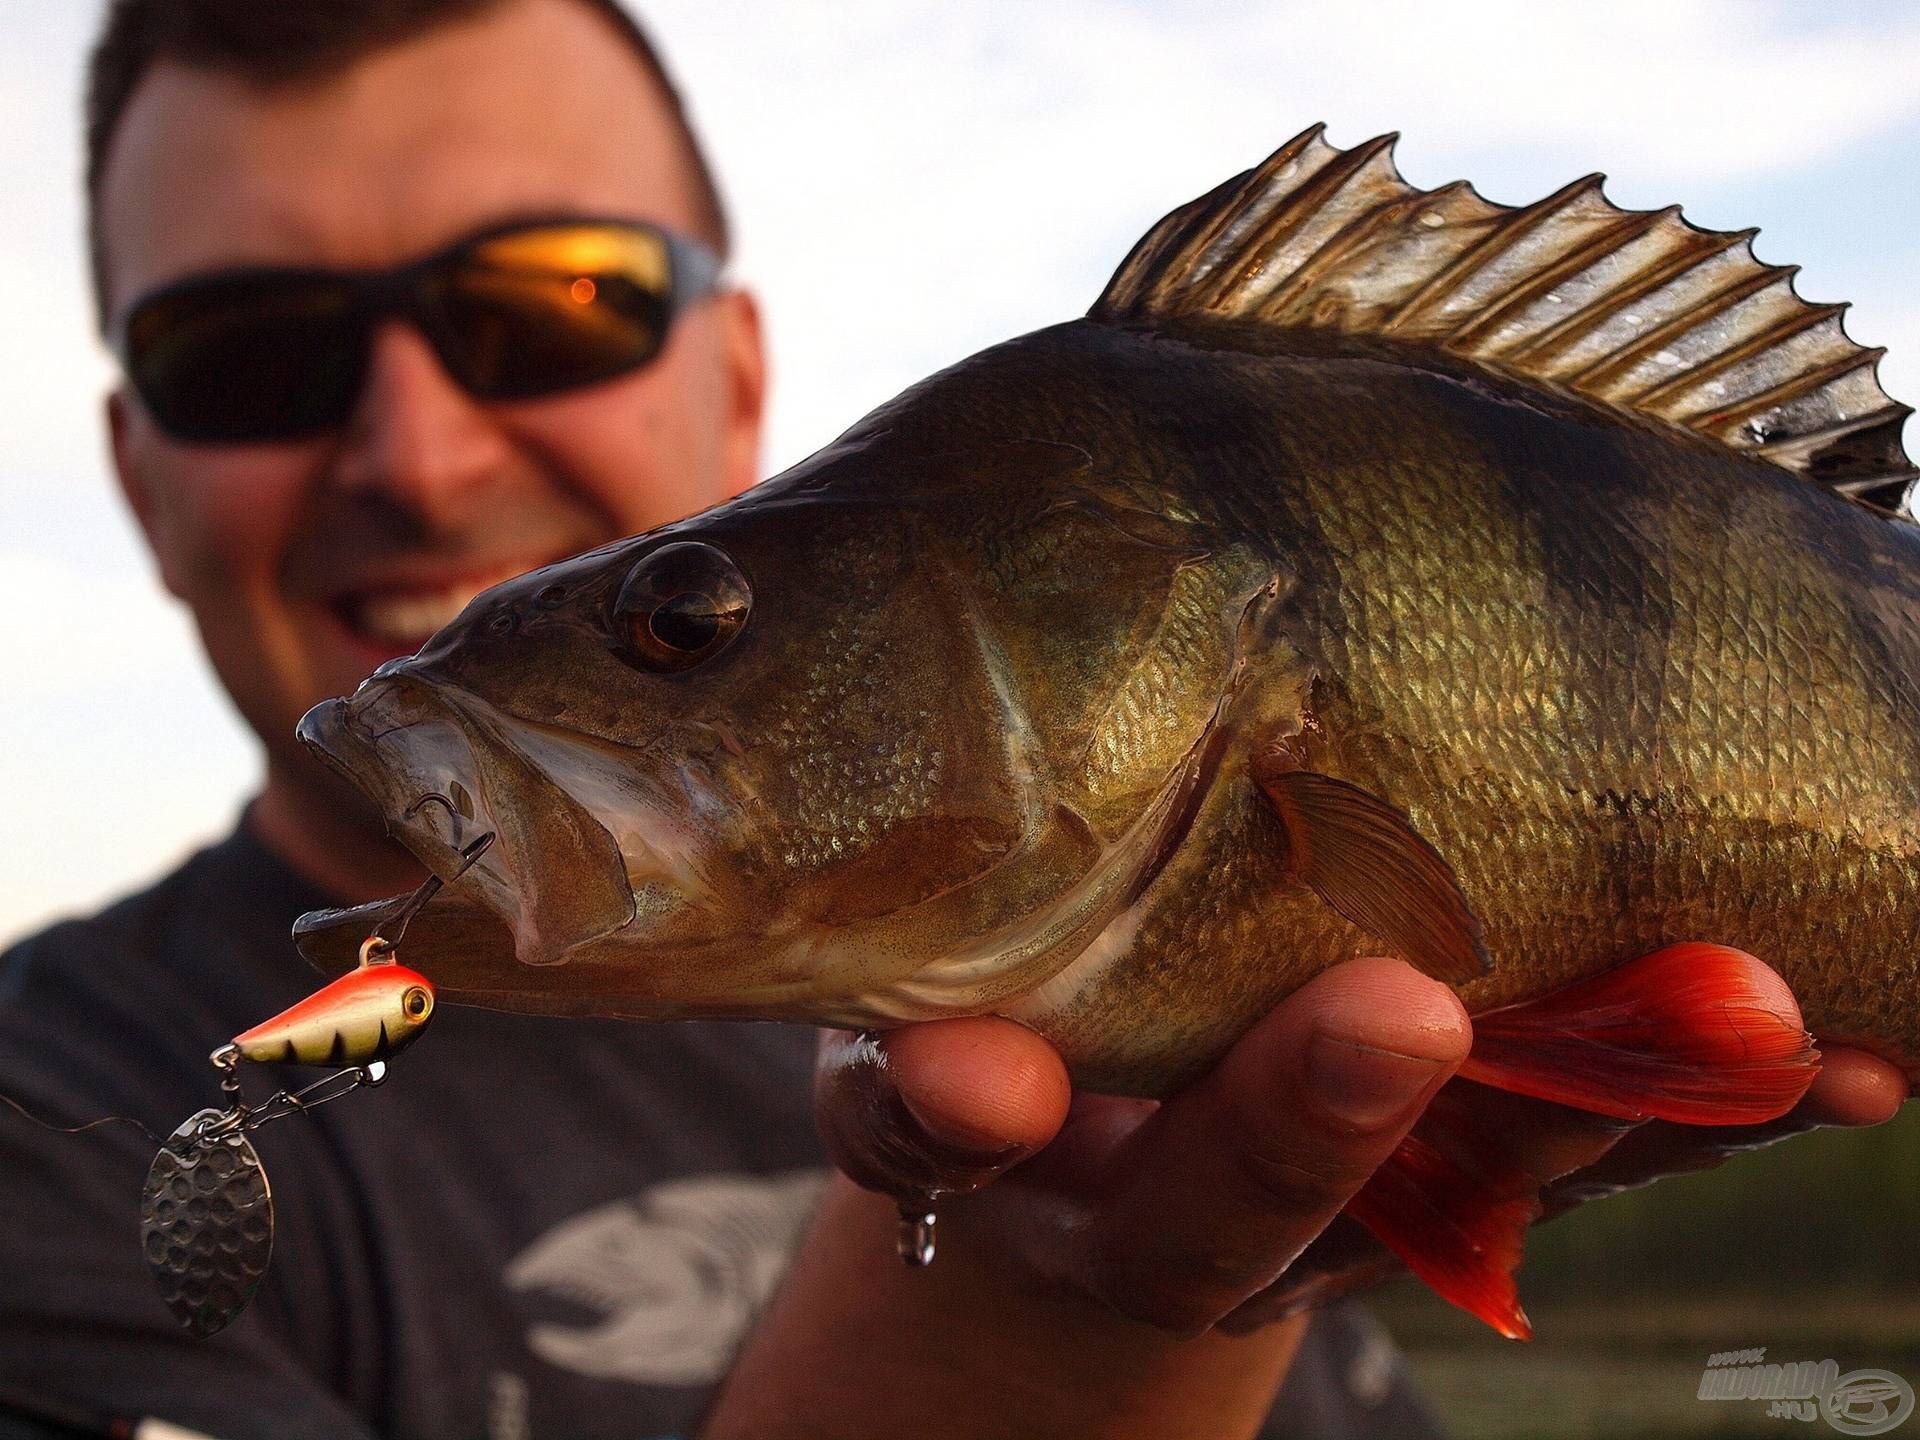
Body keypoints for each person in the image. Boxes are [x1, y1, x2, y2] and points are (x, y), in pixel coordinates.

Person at [0, 2, 1905, 1438]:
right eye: (244, 355)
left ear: (740, 376)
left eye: (552, 307)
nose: (413, 456)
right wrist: (1057, 1313)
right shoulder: (51, 1132)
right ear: (130, 468)